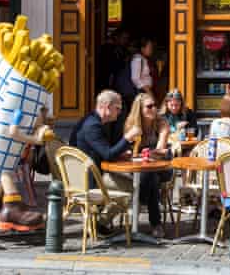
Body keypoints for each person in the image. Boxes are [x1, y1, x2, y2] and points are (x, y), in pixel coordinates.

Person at [71, 90, 142, 229]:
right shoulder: (92, 126)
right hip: (89, 179)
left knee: (132, 184)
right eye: (118, 108)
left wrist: (120, 154)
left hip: (90, 174)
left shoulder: (92, 121)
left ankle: (99, 223)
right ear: (107, 106)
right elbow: (108, 154)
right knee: (134, 188)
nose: (120, 112)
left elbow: (104, 152)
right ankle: (100, 223)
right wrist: (128, 138)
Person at [124, 93, 171, 238]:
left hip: (162, 167)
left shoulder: (161, 122)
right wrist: (141, 155)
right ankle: (156, 224)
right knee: (151, 178)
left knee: (151, 175)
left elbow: (160, 150)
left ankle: (137, 204)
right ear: (140, 109)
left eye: (155, 105)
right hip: (139, 168)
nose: (154, 109)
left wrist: (149, 154)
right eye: (149, 106)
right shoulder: (131, 125)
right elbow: (128, 151)